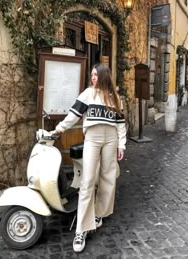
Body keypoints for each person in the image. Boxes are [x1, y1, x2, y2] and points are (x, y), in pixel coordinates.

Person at [51, 63, 126, 253]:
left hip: (111, 138)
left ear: (104, 76)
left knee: (108, 177)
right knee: (87, 181)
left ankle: (99, 213)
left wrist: (121, 144)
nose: (93, 78)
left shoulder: (114, 97)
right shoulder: (87, 94)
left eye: (96, 75)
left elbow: (120, 124)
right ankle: (81, 229)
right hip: (92, 138)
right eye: (91, 75)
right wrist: (58, 129)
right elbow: (73, 116)